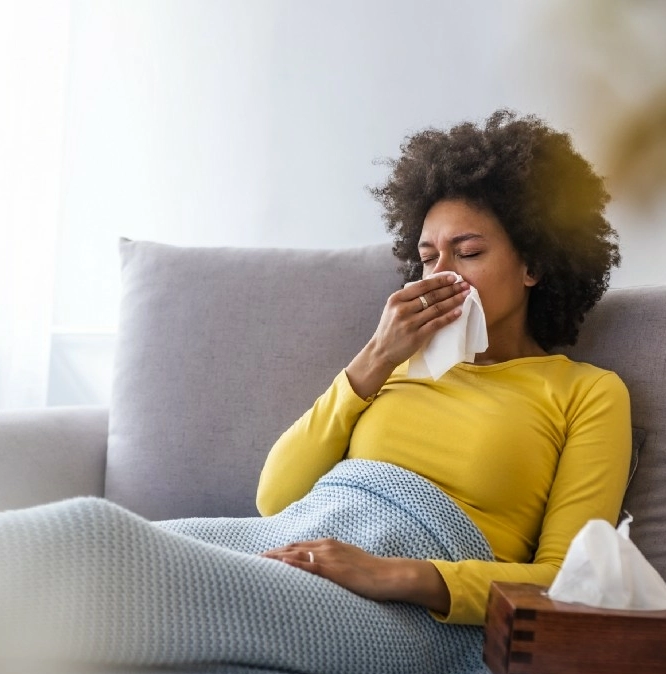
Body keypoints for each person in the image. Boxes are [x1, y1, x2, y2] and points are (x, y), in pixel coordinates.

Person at [257, 110, 631, 626]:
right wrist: (377, 355)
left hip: (404, 613)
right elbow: (275, 500)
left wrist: (390, 575)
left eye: (468, 252)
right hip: (291, 555)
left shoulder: (586, 393)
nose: (442, 275)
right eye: (429, 257)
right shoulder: (392, 363)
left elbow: (568, 582)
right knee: (131, 546)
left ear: (534, 264)